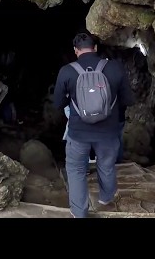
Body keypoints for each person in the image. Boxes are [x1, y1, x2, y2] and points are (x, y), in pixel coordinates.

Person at [53, 32, 135, 218]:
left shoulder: (67, 71)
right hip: (108, 132)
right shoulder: (114, 67)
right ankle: (105, 199)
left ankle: (79, 212)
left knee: (75, 169)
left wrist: (74, 102)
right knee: (106, 165)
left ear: (76, 51)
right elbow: (128, 100)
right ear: (96, 48)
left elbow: (57, 103)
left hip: (78, 133)